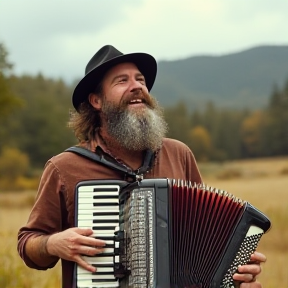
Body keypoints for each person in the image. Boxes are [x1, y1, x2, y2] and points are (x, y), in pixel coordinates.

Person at [18, 45, 266, 288]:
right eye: (121, 80)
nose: (136, 86)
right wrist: (52, 244)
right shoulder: (65, 167)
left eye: (140, 79)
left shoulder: (178, 154)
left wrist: (235, 273)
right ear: (97, 101)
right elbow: (28, 243)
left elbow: (208, 241)